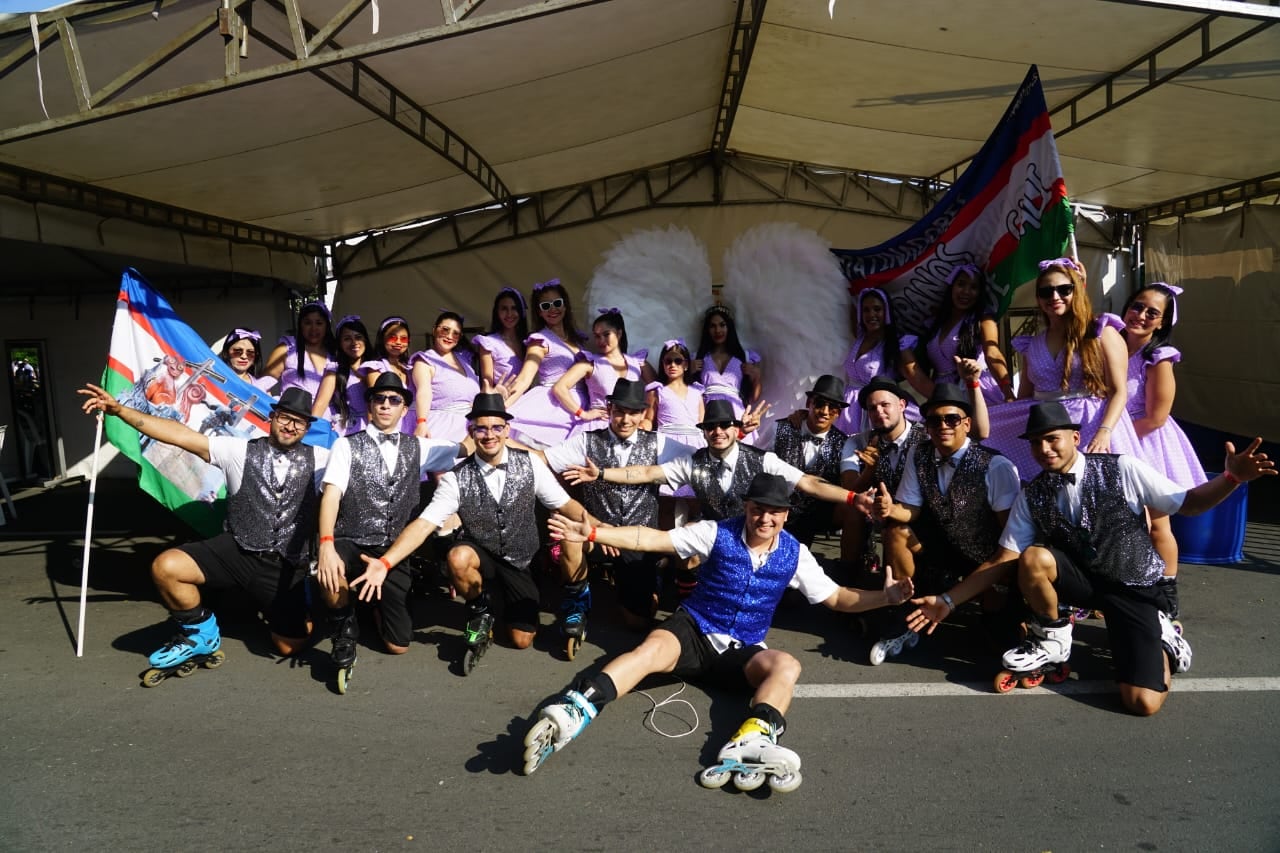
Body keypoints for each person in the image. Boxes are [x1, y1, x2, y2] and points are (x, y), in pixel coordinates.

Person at [521, 473, 914, 784]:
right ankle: (577, 708)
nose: (765, 518)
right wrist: (592, 533)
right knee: (649, 652)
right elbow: (653, 539)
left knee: (787, 666)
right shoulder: (716, 532)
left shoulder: (796, 554)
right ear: (747, 507)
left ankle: (755, 736)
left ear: (786, 516)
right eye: (758, 509)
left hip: (741, 648)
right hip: (694, 628)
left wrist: (887, 599)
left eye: (774, 512)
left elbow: (838, 598)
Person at [907, 401, 1276, 716]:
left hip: (1133, 588)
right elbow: (1005, 558)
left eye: (1052, 439)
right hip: (1083, 584)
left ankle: (1162, 638)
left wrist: (1231, 478)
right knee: (1033, 558)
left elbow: (1190, 504)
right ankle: (1052, 638)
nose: (1044, 450)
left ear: (1075, 438)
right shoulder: (1033, 494)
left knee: (1142, 703)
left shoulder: (1123, 469)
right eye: (1036, 443)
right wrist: (948, 601)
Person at [78, 382, 328, 675]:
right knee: (166, 567)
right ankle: (201, 634)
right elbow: (180, 435)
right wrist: (120, 410)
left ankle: (301, 604)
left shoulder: (322, 459)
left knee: (288, 647)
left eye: (299, 421)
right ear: (272, 417)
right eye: (285, 416)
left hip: (285, 565)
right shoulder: (236, 449)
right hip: (237, 550)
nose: (290, 425)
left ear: (307, 427)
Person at [352, 393, 593, 662]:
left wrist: (602, 530)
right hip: (482, 556)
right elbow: (423, 524)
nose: (489, 434)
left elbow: (565, 504)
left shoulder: (531, 463)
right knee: (458, 556)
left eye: (496, 427)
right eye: (481, 428)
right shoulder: (455, 478)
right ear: (471, 431)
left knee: (520, 640)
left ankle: (537, 601)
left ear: (507, 430)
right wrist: (384, 563)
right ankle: (480, 610)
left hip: (521, 562)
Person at [314, 373, 466, 677]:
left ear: (403, 409)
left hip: (392, 551)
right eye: (379, 399)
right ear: (370, 405)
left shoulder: (421, 448)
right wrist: (326, 544)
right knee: (327, 573)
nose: (385, 405)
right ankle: (344, 628)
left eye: (394, 400)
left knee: (398, 645)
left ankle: (374, 607)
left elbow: (467, 447)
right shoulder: (346, 446)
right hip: (351, 541)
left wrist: (498, 429)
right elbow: (331, 496)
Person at [863, 382, 1021, 663]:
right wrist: (889, 509)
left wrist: (1002, 580)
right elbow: (910, 509)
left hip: (984, 555)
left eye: (951, 419)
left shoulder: (997, 466)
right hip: (941, 544)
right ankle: (905, 613)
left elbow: (1009, 537)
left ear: (967, 424)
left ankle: (1013, 617)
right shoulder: (919, 452)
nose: (943, 426)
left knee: (998, 638)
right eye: (935, 420)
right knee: (896, 531)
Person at [543, 379, 693, 637]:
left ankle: (650, 578)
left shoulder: (659, 443)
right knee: (570, 537)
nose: (625, 419)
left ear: (643, 414)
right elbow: (542, 461)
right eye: (620, 411)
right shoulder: (586, 442)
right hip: (597, 535)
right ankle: (577, 602)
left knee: (638, 623)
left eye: (633, 412)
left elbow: (701, 456)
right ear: (610, 409)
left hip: (639, 539)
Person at [983, 258, 1140, 479]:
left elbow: (1118, 391)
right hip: (1046, 431)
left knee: (1101, 493)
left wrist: (1104, 432)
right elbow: (1024, 398)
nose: (1054, 297)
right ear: (1038, 298)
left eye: (1064, 289)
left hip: (1091, 425)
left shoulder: (1102, 332)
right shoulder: (1032, 343)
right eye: (1046, 292)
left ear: (1077, 290)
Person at [1121, 282, 1207, 586]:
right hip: (1112, 441)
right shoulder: (1110, 344)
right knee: (1120, 524)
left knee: (1156, 523)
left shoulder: (1159, 356)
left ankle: (1166, 599)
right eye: (1137, 306)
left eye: (1152, 312)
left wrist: (1114, 439)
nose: (1141, 315)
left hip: (1145, 443)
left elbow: (1157, 417)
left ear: (1162, 322)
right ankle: (1122, 590)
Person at [837, 376, 928, 564]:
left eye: (885, 404)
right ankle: (848, 577)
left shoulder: (926, 439)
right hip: (878, 512)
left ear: (902, 405)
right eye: (872, 408)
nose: (879, 412)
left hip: (919, 514)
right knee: (853, 508)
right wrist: (869, 471)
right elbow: (848, 491)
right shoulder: (858, 441)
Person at [900, 265, 1015, 404]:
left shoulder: (982, 319)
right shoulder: (934, 324)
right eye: (961, 284)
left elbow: (992, 353)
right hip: (945, 395)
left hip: (979, 390)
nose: (966, 291)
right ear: (951, 287)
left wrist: (1007, 391)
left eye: (973, 287)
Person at [506, 279, 589, 447]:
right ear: (539, 312)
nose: (552, 309)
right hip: (553, 406)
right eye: (545, 306)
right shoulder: (540, 341)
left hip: (580, 405)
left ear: (565, 306)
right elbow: (524, 379)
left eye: (557, 303)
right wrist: (500, 407)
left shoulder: (577, 339)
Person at [770, 375, 849, 547]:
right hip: (777, 507)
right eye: (819, 403)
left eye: (833, 407)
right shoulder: (780, 428)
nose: (825, 411)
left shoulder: (844, 443)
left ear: (839, 413)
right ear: (808, 404)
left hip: (818, 513)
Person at [554, 309, 655, 437]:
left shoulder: (637, 363)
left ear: (619, 333)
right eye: (597, 336)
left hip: (628, 428)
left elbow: (655, 391)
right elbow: (559, 388)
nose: (601, 340)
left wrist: (645, 418)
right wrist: (583, 413)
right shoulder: (591, 363)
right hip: (597, 428)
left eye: (606, 334)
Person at [834, 288, 919, 433]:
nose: (871, 314)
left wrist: (942, 400)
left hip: (874, 409)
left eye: (877, 309)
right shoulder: (860, 336)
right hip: (847, 411)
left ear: (886, 312)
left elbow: (917, 379)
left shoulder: (896, 345)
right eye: (866, 310)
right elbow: (848, 296)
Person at [409, 311, 482, 443]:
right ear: (434, 330)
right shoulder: (425, 361)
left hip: (470, 431)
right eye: (445, 330)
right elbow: (424, 392)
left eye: (455, 333)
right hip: (443, 430)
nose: (449, 336)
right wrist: (421, 421)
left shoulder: (463, 359)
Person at [694, 305, 761, 423]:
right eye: (712, 326)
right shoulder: (698, 357)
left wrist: (757, 376)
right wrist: (689, 372)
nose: (718, 330)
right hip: (707, 412)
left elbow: (753, 398)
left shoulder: (744, 357)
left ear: (729, 327)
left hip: (736, 414)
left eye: (722, 325)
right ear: (707, 330)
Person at [311, 315, 372, 436]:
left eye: (358, 337)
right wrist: (310, 434)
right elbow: (321, 404)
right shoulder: (334, 370)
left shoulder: (376, 368)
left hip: (371, 429)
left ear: (366, 340)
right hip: (342, 433)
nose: (354, 342)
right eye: (347, 339)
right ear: (339, 343)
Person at [265, 302, 337, 397]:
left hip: (329, 411)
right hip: (292, 411)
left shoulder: (334, 353)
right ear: (300, 325)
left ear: (327, 326)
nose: (313, 328)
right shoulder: (287, 348)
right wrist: (273, 408)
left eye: (319, 323)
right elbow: (262, 385)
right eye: (307, 323)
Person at [472, 287, 528, 398]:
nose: (509, 314)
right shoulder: (488, 343)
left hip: (528, 401)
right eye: (504, 309)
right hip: (502, 403)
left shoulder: (529, 341)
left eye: (514, 308)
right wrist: (497, 393)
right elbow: (487, 386)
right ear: (497, 312)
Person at [217, 328, 276, 393]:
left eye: (250, 352)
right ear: (227, 352)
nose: (244, 356)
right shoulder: (214, 378)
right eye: (238, 351)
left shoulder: (262, 386)